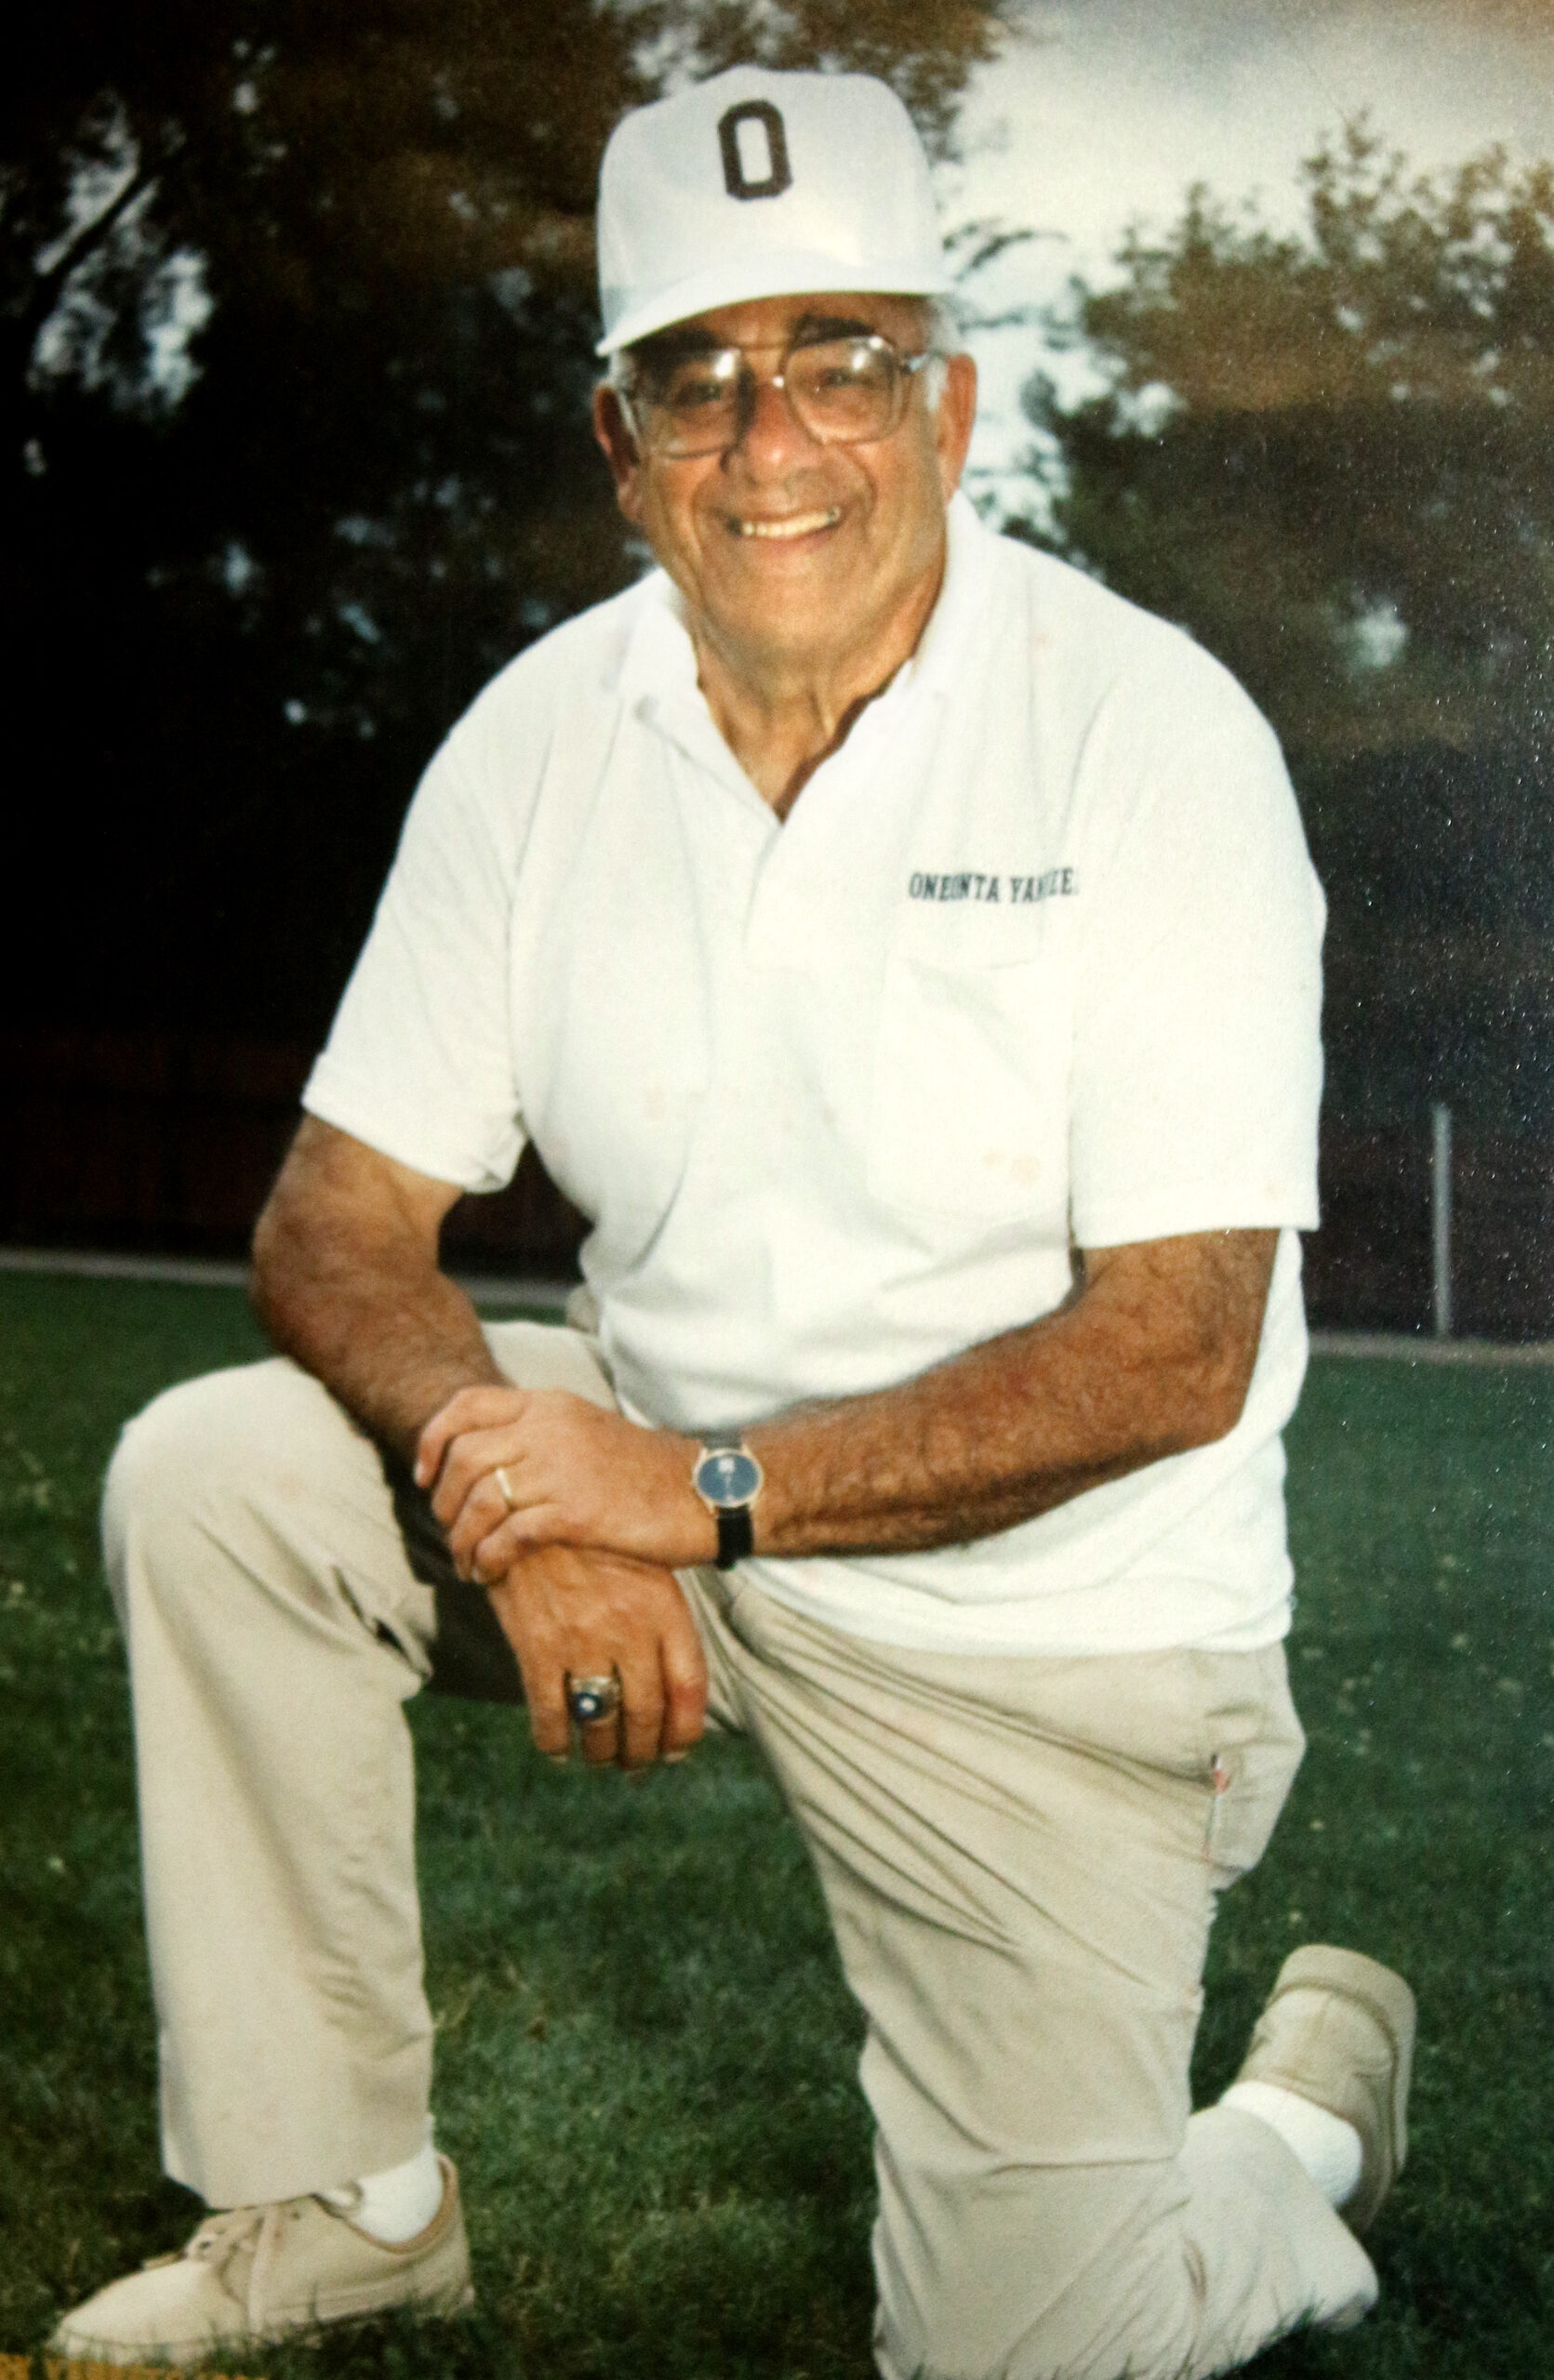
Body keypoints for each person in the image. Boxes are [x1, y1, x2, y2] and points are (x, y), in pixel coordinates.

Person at [51, 64, 1415, 2380]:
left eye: (837, 361)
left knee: (1022, 2346)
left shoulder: (1146, 735)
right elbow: (332, 1217)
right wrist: (517, 1489)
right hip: (662, 1478)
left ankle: (1285, 2134)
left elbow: (1172, 1347)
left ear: (949, 407)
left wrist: (672, 1495)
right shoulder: (537, 735)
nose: (768, 439)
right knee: (215, 1479)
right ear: (620, 442)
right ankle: (349, 2201)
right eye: (694, 375)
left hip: (1045, 1627)